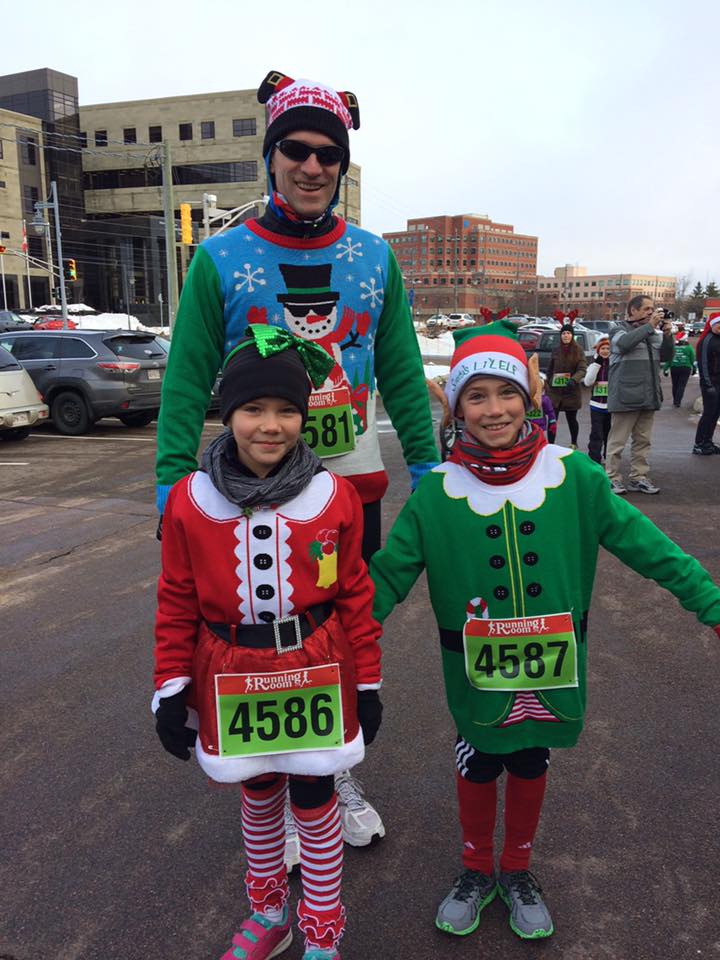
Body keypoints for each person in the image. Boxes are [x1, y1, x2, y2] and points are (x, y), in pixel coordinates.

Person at [154, 70, 439, 852]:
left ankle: (334, 770)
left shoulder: (375, 258)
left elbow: (405, 374)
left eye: (328, 155)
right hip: (247, 488)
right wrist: (166, 485)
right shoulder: (219, 258)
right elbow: (184, 381)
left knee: (344, 627)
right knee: (254, 627)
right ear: (271, 157)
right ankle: (265, 779)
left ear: (342, 167)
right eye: (297, 151)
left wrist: (433, 469)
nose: (313, 167)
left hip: (344, 486)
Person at [369, 320, 720, 942]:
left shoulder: (575, 477)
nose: (493, 409)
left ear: (530, 396)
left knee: (532, 757)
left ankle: (519, 868)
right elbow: (388, 578)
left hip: (553, 666)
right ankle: (477, 867)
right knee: (477, 759)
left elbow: (651, 548)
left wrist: (710, 602)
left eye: (505, 393)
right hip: (475, 668)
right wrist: (335, 644)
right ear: (456, 408)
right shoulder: (437, 493)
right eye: (475, 396)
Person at [153, 326, 383, 960]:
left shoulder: (333, 495)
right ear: (229, 414)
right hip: (230, 668)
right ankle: (268, 914)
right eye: (253, 409)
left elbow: (354, 596)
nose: (270, 425)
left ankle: (322, 930)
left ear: (303, 417)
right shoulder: (188, 502)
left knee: (314, 795)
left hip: (314, 663)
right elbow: (175, 598)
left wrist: (367, 684)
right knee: (256, 794)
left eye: (286, 410)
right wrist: (170, 686)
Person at [605, 296, 674, 495]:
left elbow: (667, 356)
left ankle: (639, 477)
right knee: (617, 441)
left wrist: (668, 335)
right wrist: (649, 327)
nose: (650, 313)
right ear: (632, 310)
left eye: (652, 309)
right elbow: (624, 344)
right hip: (625, 396)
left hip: (648, 395)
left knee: (643, 441)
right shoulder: (618, 328)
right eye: (646, 309)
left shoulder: (652, 333)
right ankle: (612, 477)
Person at [545, 321, 586, 448]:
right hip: (555, 392)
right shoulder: (556, 350)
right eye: (563, 333)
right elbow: (550, 369)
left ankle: (574, 443)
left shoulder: (578, 350)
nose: (566, 336)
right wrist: (549, 381)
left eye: (568, 333)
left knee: (571, 419)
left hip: (571, 391)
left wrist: (574, 380)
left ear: (572, 335)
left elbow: (582, 369)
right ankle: (550, 445)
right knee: (552, 420)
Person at [692, 311, 720, 454]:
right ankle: (699, 443)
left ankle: (708, 441)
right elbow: (703, 364)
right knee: (708, 413)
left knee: (715, 414)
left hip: (718, 382)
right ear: (713, 325)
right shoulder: (707, 340)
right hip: (710, 382)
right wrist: (708, 384)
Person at [583, 335, 611, 463]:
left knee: (609, 434)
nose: (605, 351)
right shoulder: (594, 364)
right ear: (598, 350)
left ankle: (608, 456)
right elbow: (588, 382)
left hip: (611, 405)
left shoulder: (614, 364)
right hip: (596, 405)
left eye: (607, 348)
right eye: (603, 348)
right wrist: (597, 364)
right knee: (596, 433)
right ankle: (594, 458)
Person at [663, 329, 696, 409]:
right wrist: (694, 369)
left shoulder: (673, 348)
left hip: (674, 368)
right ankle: (678, 401)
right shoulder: (689, 348)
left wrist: (665, 369)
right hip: (685, 368)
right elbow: (692, 359)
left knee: (675, 385)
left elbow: (669, 359)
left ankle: (675, 400)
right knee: (681, 385)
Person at [526, 374, 557, 443]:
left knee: (540, 441)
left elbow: (550, 411)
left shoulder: (544, 399)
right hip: (527, 425)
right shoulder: (526, 398)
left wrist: (552, 422)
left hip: (540, 426)